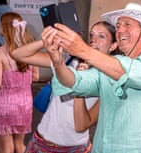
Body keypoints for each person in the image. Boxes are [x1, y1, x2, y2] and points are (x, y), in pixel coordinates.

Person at [42, 2, 141, 153]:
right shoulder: (106, 69)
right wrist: (58, 61)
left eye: (127, 24)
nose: (120, 30)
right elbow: (74, 82)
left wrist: (82, 50)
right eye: (118, 25)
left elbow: (130, 72)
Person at [11, 21, 117, 152]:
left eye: (101, 36)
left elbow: (81, 125)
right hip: (41, 141)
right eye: (91, 35)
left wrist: (80, 84)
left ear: (113, 46)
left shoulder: (110, 79)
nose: (93, 40)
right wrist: (47, 41)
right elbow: (18, 54)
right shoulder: (69, 60)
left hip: (74, 148)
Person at [0, 12, 39, 153]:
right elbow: (35, 77)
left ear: (4, 28)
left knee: (6, 149)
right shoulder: (29, 50)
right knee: (20, 146)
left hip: (3, 105)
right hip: (24, 105)